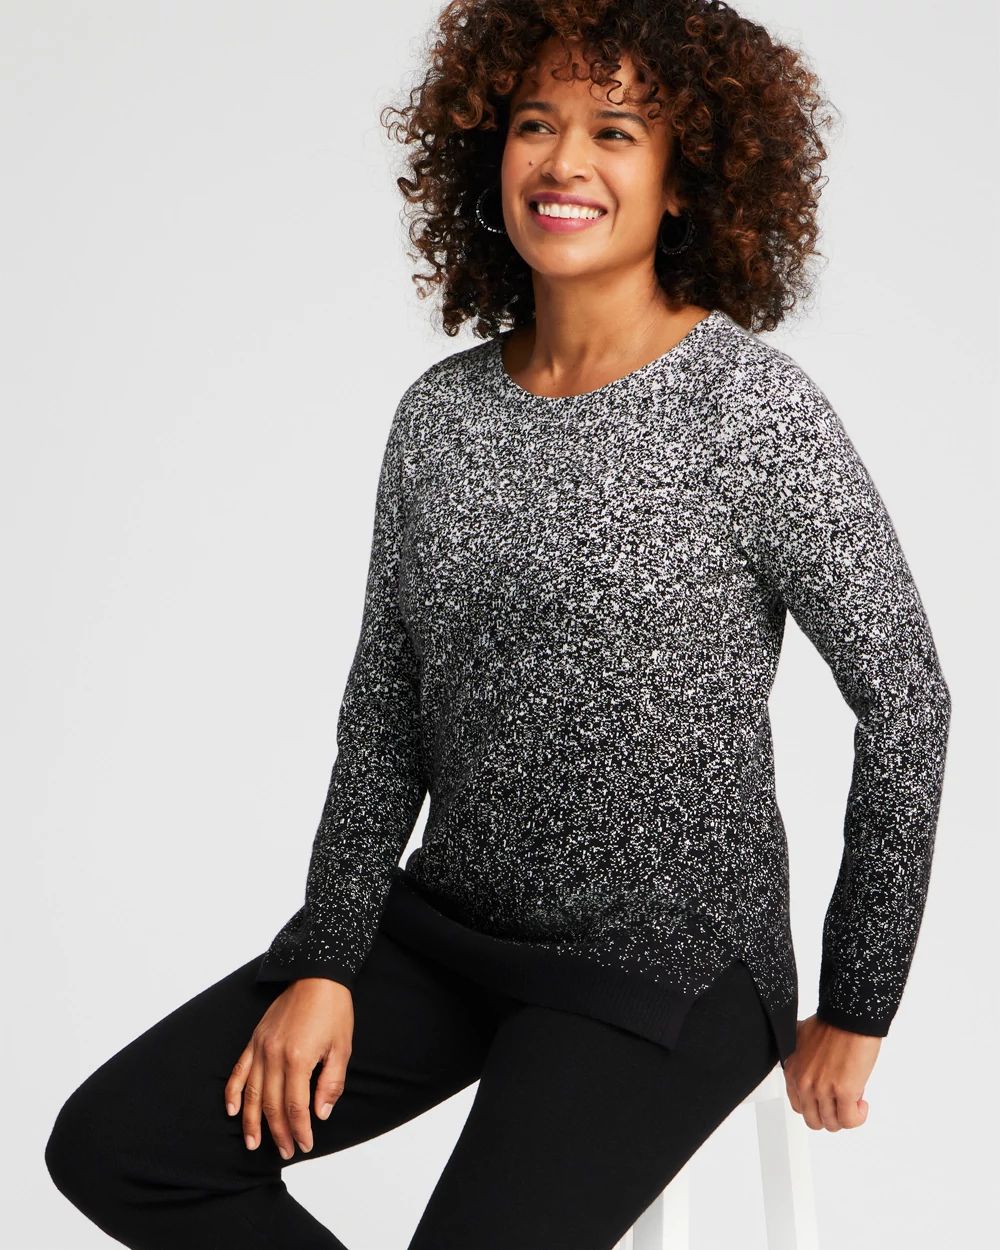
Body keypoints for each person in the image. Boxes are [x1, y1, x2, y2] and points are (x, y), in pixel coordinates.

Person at [45, 3, 952, 1248]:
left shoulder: (752, 411)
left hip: (667, 970)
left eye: (614, 131)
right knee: (122, 1143)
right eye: (535, 124)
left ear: (684, 180)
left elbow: (907, 698)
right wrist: (325, 958)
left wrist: (859, 997)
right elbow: (385, 713)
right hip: (450, 934)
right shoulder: (440, 417)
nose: (564, 161)